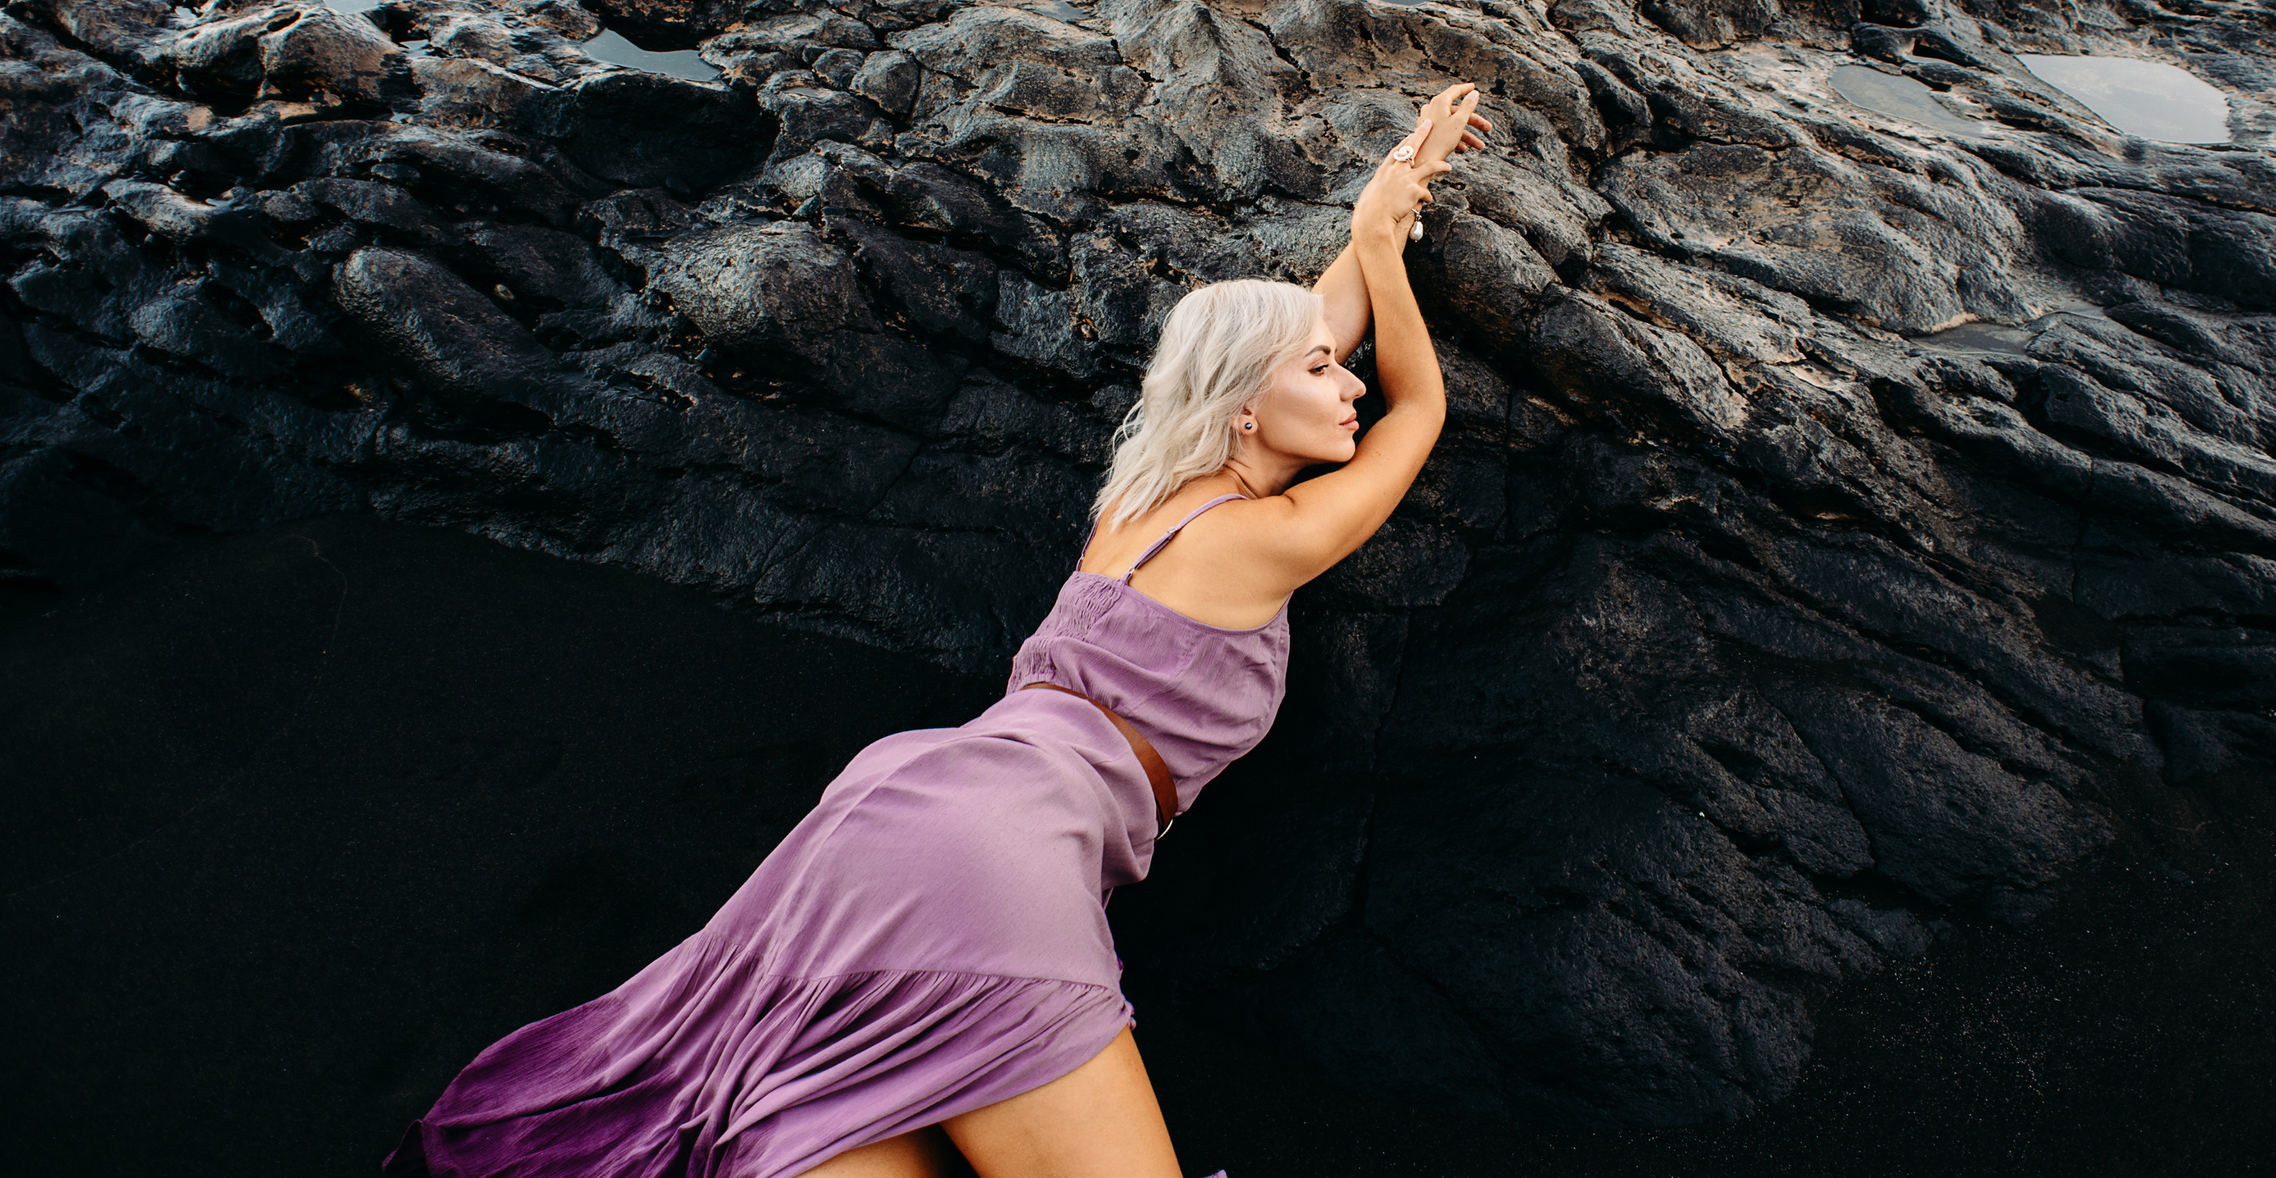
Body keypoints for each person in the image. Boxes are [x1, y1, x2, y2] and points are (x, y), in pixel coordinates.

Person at [388, 82, 1492, 1178]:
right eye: (1321, 372)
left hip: (897, 814)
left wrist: (1391, 194)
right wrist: (1382, 258)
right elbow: (1420, 407)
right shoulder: (1271, 537)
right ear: (1247, 407)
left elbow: (1300, 324)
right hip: (989, 858)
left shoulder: (1146, 499)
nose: (1346, 380)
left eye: (1336, 364)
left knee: (801, 1109)